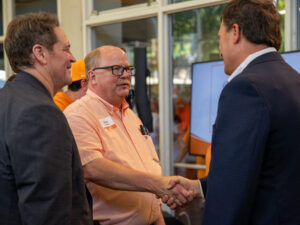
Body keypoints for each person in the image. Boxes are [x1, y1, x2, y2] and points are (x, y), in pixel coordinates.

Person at [165, 0, 300, 224]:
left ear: (235, 32)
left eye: (220, 37)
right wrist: (200, 186)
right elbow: (269, 167)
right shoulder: (293, 80)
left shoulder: (244, 88)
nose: (219, 50)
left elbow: (231, 189)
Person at [64, 45, 193, 225]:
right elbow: (92, 168)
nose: (125, 75)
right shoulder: (78, 114)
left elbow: (148, 168)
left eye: (127, 69)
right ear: (92, 77)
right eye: (116, 69)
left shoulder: (130, 116)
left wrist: (158, 216)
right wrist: (159, 185)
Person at [0, 12, 92, 225]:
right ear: (40, 54)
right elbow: (46, 210)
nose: (73, 58)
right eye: (66, 48)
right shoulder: (40, 112)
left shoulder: (7, 99)